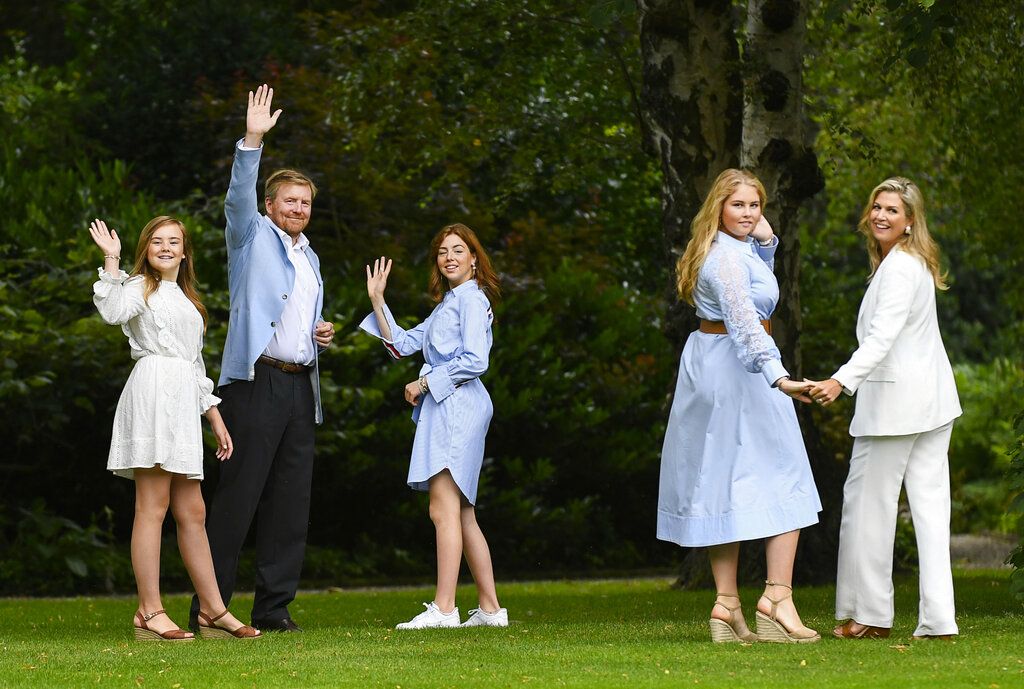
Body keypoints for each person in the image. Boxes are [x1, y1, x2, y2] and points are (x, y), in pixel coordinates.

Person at [189, 84, 335, 633]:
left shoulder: (310, 256)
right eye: (290, 201)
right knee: (237, 500)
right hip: (254, 384)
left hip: (301, 387)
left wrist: (317, 333)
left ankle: (273, 609)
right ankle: (211, 607)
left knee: (290, 503)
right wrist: (252, 139)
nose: (299, 209)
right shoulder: (251, 235)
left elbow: (295, 314)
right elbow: (237, 195)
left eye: (306, 203)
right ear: (271, 206)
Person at [657, 169, 822, 644]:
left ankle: (727, 604)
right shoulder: (726, 260)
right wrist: (780, 378)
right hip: (739, 370)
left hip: (714, 365)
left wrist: (767, 239)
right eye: (739, 206)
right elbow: (747, 322)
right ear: (719, 209)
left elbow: (756, 278)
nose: (749, 214)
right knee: (786, 471)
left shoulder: (733, 249)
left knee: (722, 479)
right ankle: (777, 598)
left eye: (755, 205)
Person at [90, 217, 260, 641]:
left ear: (185, 252)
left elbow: (195, 366)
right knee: (153, 505)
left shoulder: (188, 300)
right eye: (157, 241)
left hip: (183, 404)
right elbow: (111, 312)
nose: (165, 248)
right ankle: (149, 611)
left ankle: (212, 611)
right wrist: (111, 260)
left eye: (174, 242)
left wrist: (215, 416)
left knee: (194, 511)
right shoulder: (135, 287)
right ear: (146, 248)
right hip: (151, 396)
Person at [807, 177, 961, 640]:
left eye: (892, 210)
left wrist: (840, 381)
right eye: (877, 206)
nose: (880, 215)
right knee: (932, 512)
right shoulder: (909, 263)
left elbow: (882, 337)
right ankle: (938, 622)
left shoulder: (898, 269)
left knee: (867, 507)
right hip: (932, 403)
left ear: (910, 220)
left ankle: (871, 616)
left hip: (896, 407)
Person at [361, 223, 507, 629]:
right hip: (450, 406)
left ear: (475, 258)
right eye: (443, 251)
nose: (450, 257)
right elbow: (403, 344)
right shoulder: (449, 304)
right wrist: (377, 299)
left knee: (443, 510)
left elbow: (477, 359)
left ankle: (445, 609)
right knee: (461, 513)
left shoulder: (471, 301)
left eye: (459, 250)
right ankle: (491, 610)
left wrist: (426, 382)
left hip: (456, 406)